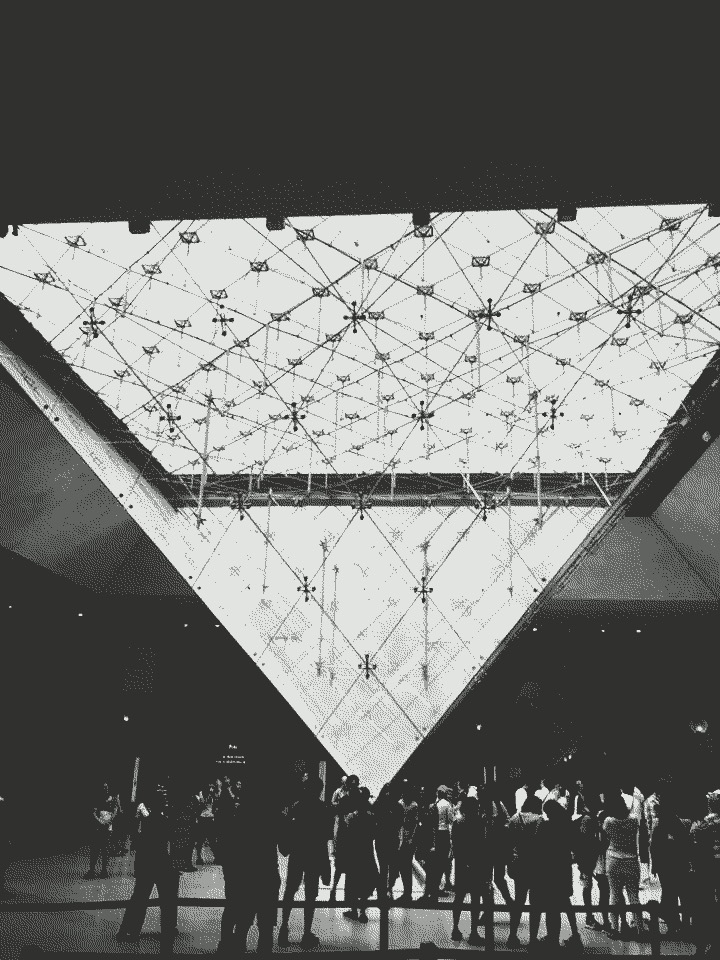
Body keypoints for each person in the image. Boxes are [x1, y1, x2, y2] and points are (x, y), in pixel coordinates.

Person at [217, 765, 281, 954]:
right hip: (267, 873)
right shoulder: (272, 815)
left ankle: (229, 946)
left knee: (241, 923)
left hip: (243, 874)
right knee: (266, 928)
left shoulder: (239, 815)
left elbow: (227, 846)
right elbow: (285, 848)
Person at [116, 784, 182, 950]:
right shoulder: (162, 820)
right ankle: (167, 930)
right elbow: (171, 840)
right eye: (163, 800)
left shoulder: (145, 822)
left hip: (147, 864)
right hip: (160, 864)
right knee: (165, 901)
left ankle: (128, 930)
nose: (165, 802)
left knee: (138, 899)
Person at [277, 774, 332, 949]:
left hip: (298, 854)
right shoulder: (324, 809)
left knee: (290, 891)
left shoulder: (296, 807)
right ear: (319, 790)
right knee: (310, 895)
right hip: (314, 856)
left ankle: (284, 928)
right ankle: (306, 933)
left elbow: (287, 831)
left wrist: (286, 847)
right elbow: (324, 839)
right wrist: (326, 867)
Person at [532, 791, 583, 951]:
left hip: (548, 869)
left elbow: (538, 848)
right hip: (563, 868)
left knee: (550, 906)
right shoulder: (567, 825)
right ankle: (574, 935)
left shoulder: (545, 826)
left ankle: (552, 939)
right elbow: (575, 846)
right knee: (564, 903)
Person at [602, 785, 645, 939]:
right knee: (634, 895)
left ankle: (616, 928)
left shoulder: (608, 821)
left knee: (614, 894)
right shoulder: (633, 821)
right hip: (631, 860)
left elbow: (605, 837)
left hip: (613, 859)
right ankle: (640, 928)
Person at [449, 795, 492, 946]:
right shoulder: (480, 823)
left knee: (459, 898)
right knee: (475, 899)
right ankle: (473, 932)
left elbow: (455, 844)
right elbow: (483, 845)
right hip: (477, 864)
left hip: (461, 864)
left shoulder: (457, 822)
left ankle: (455, 929)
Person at [650, 784, 692, 937]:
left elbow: (653, 847)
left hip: (667, 866)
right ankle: (683, 925)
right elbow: (687, 845)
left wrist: (655, 866)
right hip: (678, 865)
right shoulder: (681, 824)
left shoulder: (659, 825)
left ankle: (674, 925)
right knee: (681, 894)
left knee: (670, 895)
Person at [506, 794, 544, 949]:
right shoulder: (540, 820)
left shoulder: (515, 818)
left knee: (518, 901)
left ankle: (512, 935)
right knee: (536, 903)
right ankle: (533, 939)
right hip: (535, 864)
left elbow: (508, 841)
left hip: (518, 862)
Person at [690, 788, 720, 957]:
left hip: (705, 873)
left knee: (703, 909)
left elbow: (694, 850)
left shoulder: (701, 826)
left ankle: (702, 945)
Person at [343, 786, 378, 923]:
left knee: (353, 881)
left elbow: (348, 836)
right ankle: (363, 911)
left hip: (354, 852)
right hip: (366, 851)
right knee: (364, 882)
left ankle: (353, 910)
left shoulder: (351, 817)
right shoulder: (371, 817)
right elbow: (374, 834)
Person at [572, 794, 604, 931]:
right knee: (590, 885)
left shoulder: (587, 818)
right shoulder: (587, 819)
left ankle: (591, 916)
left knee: (591, 885)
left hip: (588, 857)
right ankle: (589, 917)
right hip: (589, 857)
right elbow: (586, 840)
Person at [330, 774, 360, 902]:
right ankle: (334, 890)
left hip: (352, 837)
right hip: (344, 836)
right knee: (340, 867)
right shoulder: (343, 797)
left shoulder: (357, 798)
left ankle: (348, 895)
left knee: (351, 869)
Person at [422, 785, 454, 900]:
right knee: (442, 863)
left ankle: (431, 889)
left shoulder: (434, 805)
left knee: (434, 864)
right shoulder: (447, 804)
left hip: (435, 836)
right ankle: (435, 888)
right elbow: (451, 821)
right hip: (443, 834)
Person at [373, 783, 403, 900]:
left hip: (389, 838)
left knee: (392, 867)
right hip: (383, 838)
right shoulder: (381, 805)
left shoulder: (395, 807)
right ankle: (385, 889)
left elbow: (400, 823)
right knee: (385, 866)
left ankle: (388, 888)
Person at [85, 781, 120, 880]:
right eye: (103, 787)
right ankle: (92, 870)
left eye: (106, 787)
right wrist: (100, 821)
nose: (105, 789)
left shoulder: (112, 799)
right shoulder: (97, 799)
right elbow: (94, 812)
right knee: (95, 850)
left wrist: (109, 821)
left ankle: (104, 870)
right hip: (98, 827)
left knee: (105, 850)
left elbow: (115, 812)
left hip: (108, 827)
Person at [394, 782, 419, 903]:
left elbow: (414, 824)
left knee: (406, 866)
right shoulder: (400, 803)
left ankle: (407, 893)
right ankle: (406, 892)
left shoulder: (413, 806)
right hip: (400, 837)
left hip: (408, 839)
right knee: (402, 866)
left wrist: (410, 839)